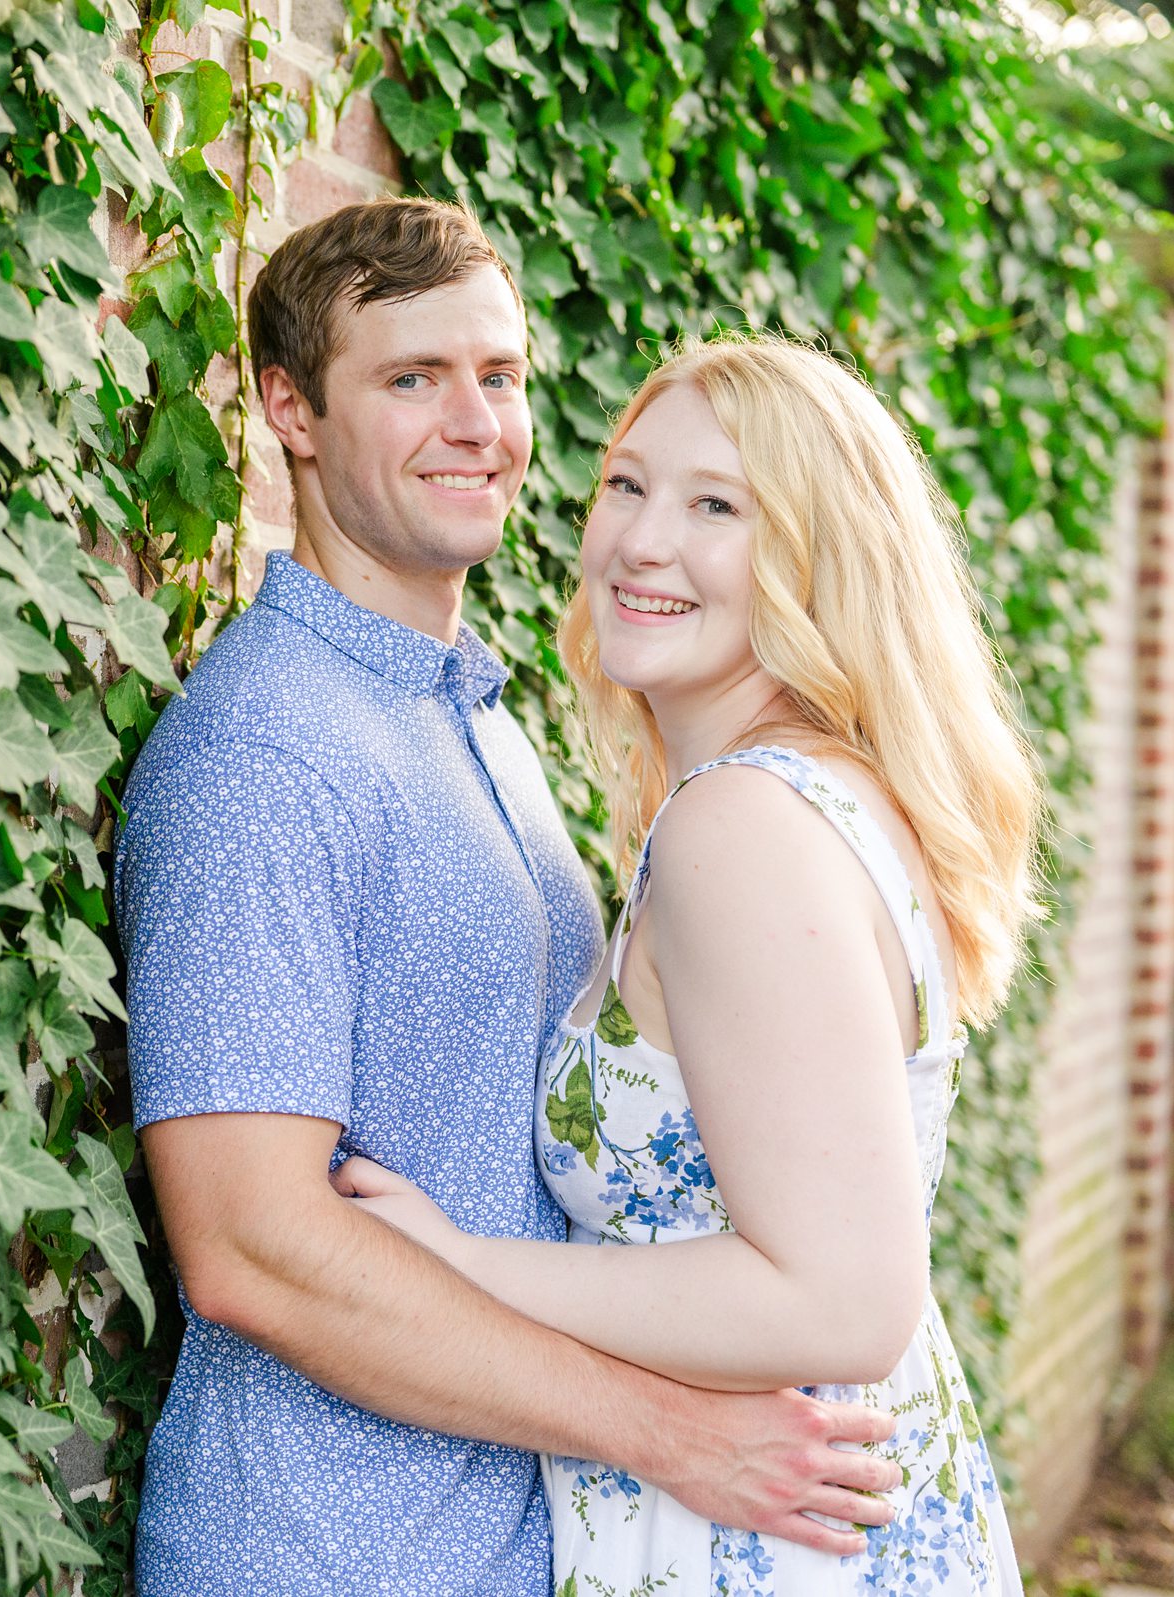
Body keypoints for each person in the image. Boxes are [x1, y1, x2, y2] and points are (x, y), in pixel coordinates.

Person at [113, 200, 903, 1596]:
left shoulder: (475, 719)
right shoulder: (263, 756)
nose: (476, 420)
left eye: (501, 374)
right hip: (327, 1552)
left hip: (507, 1543)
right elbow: (252, 1252)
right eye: (412, 378)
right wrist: (670, 1434)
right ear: (289, 410)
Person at [333, 332, 1034, 1594]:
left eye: (717, 506)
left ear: (820, 560)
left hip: (765, 1532)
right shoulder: (821, 796)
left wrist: (463, 1267)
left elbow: (842, 1303)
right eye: (626, 485)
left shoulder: (744, 832)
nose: (642, 541)